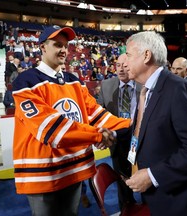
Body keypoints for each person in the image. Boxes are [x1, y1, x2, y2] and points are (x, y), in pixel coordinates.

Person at [11, 25, 131, 216]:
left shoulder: (74, 81)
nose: (64, 50)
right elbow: (50, 129)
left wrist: (131, 126)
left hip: (74, 169)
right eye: (57, 44)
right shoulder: (26, 81)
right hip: (43, 174)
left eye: (66, 46)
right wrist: (97, 136)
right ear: (42, 47)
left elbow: (96, 115)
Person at [122, 31, 187, 215]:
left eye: (128, 55)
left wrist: (153, 175)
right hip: (161, 199)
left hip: (184, 203)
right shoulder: (146, 91)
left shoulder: (179, 89)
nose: (125, 61)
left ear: (146, 55)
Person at [97, 53, 141, 210]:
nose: (121, 69)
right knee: (123, 184)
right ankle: (127, 207)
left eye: (125, 66)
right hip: (117, 142)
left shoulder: (143, 84)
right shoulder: (107, 85)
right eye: (118, 66)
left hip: (141, 141)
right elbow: (98, 112)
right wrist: (101, 134)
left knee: (145, 182)